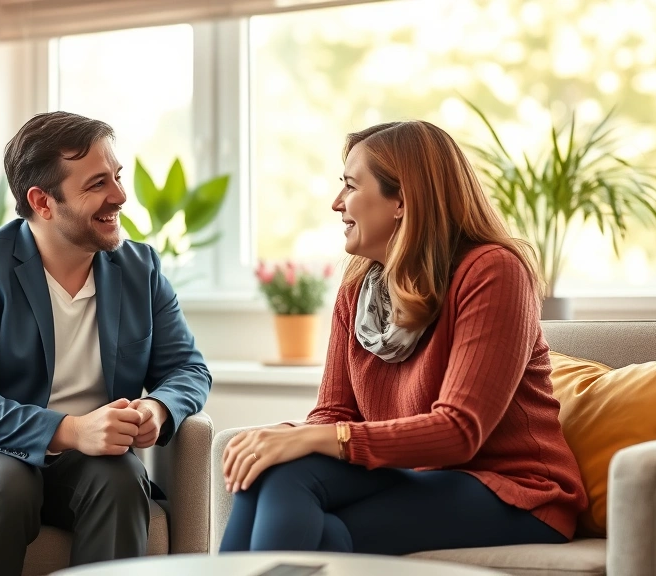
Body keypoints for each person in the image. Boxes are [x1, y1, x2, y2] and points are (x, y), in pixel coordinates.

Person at [220, 120, 587, 555]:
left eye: (351, 187)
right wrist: (288, 437)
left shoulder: (494, 271)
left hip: (514, 490)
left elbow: (459, 430)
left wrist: (318, 439)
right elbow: (335, 412)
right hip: (419, 474)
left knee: (307, 504)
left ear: (402, 201)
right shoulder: (357, 291)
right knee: (271, 472)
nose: (336, 203)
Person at [0, 111, 212, 575]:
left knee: (121, 479)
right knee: (7, 481)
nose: (119, 195)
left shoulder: (141, 269)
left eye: (117, 176)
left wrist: (157, 409)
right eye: (97, 184)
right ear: (42, 201)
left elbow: (187, 369)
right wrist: (74, 430)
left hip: (86, 465)